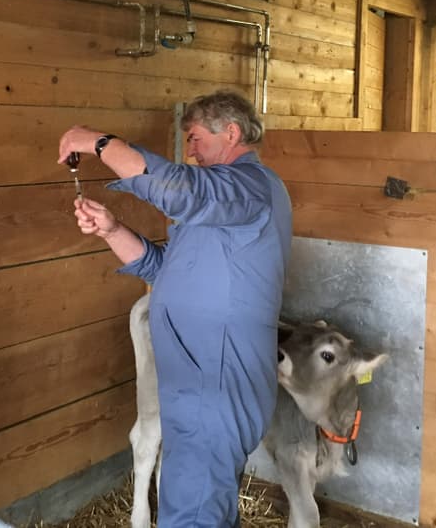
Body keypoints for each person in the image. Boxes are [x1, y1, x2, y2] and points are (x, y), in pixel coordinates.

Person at [58, 90, 292, 527]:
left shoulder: (248, 188)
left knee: (192, 513)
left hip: (214, 384)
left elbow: (178, 189)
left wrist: (100, 143)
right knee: (203, 507)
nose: (190, 151)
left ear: (233, 133)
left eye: (196, 138)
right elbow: (163, 269)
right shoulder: (223, 207)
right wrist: (111, 229)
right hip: (199, 382)